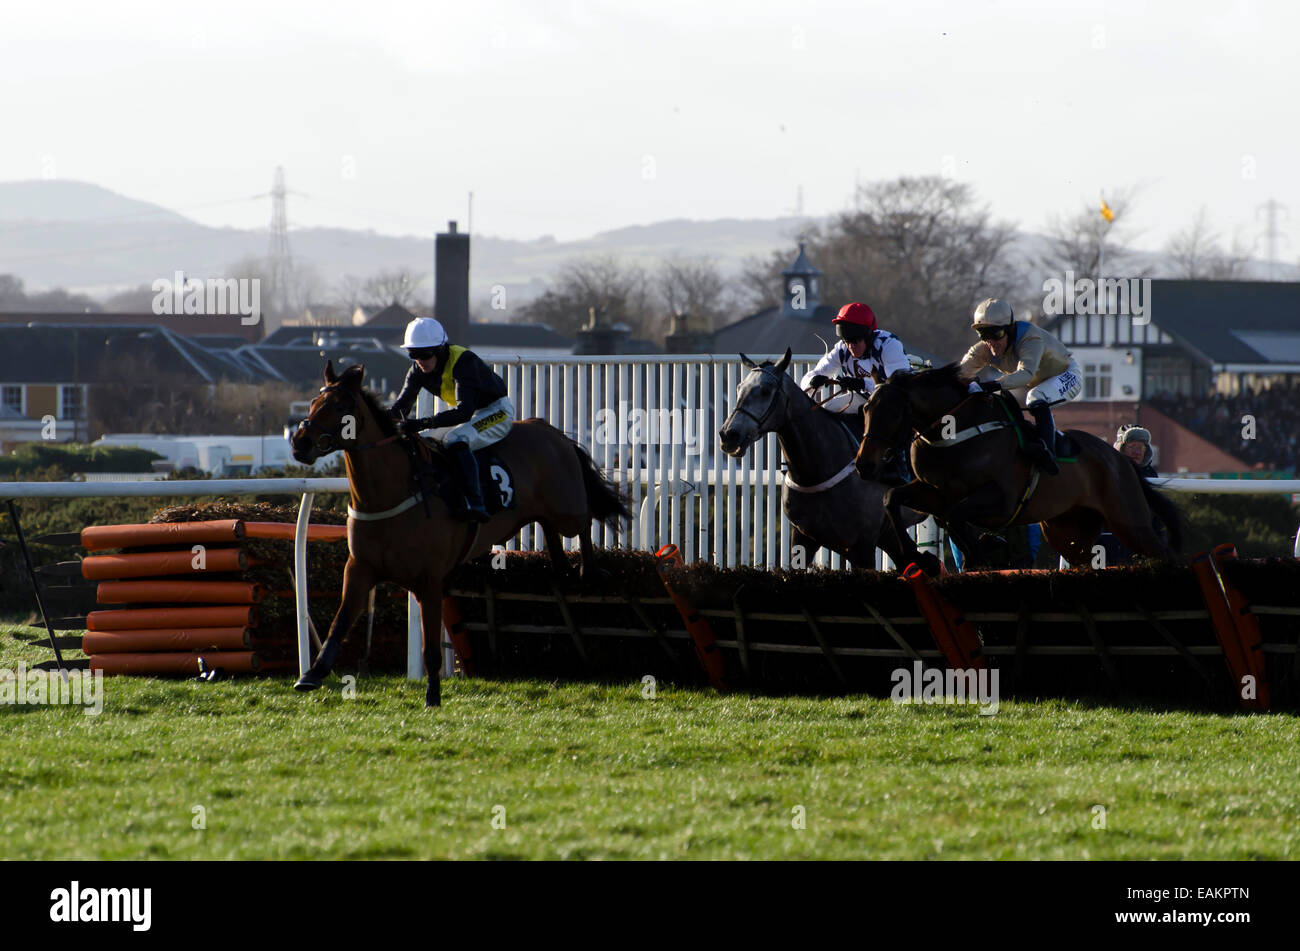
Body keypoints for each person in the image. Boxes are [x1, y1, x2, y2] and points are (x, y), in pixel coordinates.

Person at [389, 317, 514, 522]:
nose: (420, 360)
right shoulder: (417, 370)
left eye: (425, 353)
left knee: (455, 439)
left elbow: (464, 412)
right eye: (413, 354)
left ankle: (476, 504)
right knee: (425, 439)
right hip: (472, 415)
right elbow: (400, 407)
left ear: (440, 349)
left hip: (496, 412)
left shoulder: (464, 362)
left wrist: (422, 423)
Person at [958, 298, 1081, 476]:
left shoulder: (1030, 338)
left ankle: (1048, 453)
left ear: (1009, 329)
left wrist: (991, 385)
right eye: (984, 335)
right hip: (1034, 382)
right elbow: (959, 373)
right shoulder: (985, 348)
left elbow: (1026, 374)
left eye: (997, 334)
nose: (991, 342)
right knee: (999, 398)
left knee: (1036, 396)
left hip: (1065, 375)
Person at [800, 301, 912, 484]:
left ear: (867, 336)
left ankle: (899, 467)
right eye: (846, 341)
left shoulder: (889, 344)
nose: (850, 347)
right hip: (867, 401)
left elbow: (897, 386)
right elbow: (812, 375)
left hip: (893, 404)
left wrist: (862, 383)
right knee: (827, 409)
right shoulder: (842, 349)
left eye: (855, 341)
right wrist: (814, 381)